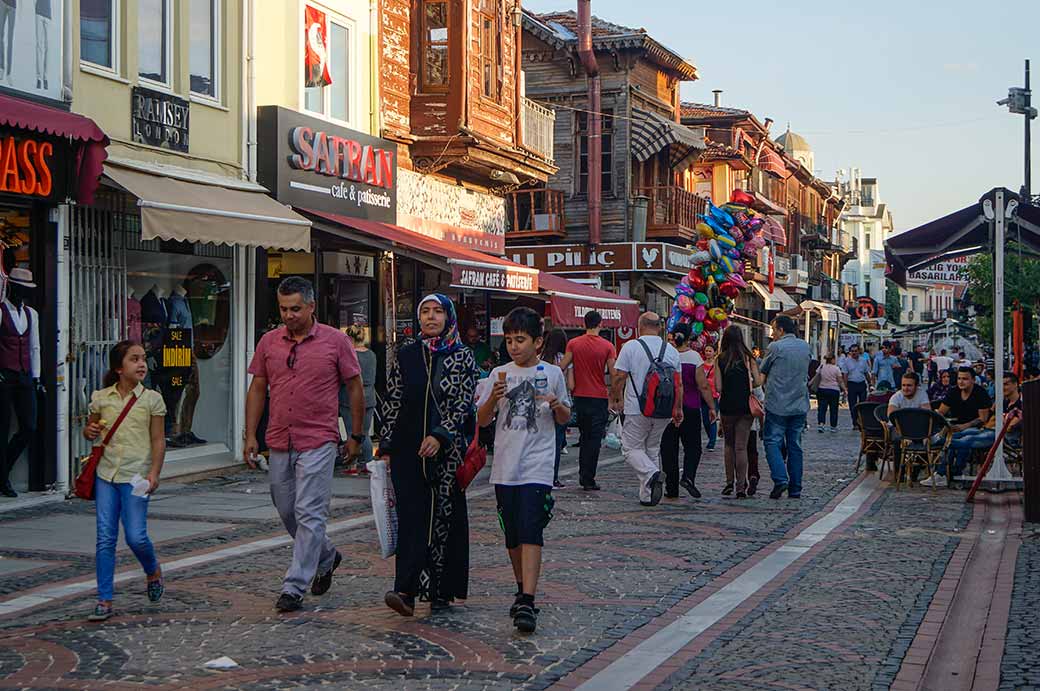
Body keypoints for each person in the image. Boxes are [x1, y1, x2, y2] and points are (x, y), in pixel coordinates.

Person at [244, 277, 365, 613]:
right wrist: (250, 434)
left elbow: (354, 388)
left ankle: (294, 586)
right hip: (280, 438)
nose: (289, 315)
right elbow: (258, 388)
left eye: (295, 309)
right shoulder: (269, 342)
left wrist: (356, 435)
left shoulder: (335, 341)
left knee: (310, 512)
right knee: (286, 510)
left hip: (319, 439)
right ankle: (326, 555)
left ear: (311, 307)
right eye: (283, 309)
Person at [379, 294, 478, 615]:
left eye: (438, 311)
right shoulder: (407, 355)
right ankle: (405, 590)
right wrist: (387, 446)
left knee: (442, 519)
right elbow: (393, 401)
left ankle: (441, 589)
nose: (431, 317)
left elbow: (463, 402)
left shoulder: (462, 357)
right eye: (425, 312)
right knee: (411, 519)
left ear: (448, 317)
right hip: (408, 451)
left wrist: (440, 435)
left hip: (445, 454)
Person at [478, 307, 570, 634]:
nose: (514, 347)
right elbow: (482, 420)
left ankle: (528, 599)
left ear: (538, 341)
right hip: (505, 466)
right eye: (510, 340)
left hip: (538, 465)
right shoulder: (498, 374)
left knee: (532, 529)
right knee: (512, 534)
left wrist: (557, 404)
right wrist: (492, 399)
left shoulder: (553, 374)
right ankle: (520, 587)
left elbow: (563, 418)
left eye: (521, 340)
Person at [82, 341, 167, 622]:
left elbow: (158, 440)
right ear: (119, 368)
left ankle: (152, 570)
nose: (142, 364)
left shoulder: (152, 399)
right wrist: (89, 430)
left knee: (135, 536)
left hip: (136, 477)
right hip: (106, 475)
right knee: (105, 537)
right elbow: (90, 431)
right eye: (134, 359)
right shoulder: (102, 398)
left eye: (143, 358)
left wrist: (154, 473)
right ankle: (104, 599)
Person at [610, 312, 682, 507]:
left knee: (630, 449)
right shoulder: (672, 350)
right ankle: (648, 495)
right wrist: (678, 408)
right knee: (651, 449)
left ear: (639, 325)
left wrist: (615, 397)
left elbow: (619, 376)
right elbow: (678, 384)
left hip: (636, 407)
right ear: (659, 327)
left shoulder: (631, 347)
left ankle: (652, 474)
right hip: (664, 409)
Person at [559, 311, 616, 491]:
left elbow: (562, 365)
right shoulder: (608, 346)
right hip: (599, 396)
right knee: (594, 439)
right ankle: (588, 477)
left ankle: (583, 475)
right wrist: (616, 396)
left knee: (584, 437)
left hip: (580, 397)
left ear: (584, 324)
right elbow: (613, 373)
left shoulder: (573, 344)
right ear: (600, 323)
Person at [660, 323, 715, 499]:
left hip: (668, 408)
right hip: (691, 406)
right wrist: (712, 407)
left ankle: (671, 487)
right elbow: (703, 385)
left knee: (669, 449)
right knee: (693, 447)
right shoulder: (694, 357)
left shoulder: (666, 355)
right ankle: (688, 476)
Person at [760, 315, 811, 499]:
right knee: (795, 446)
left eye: (774, 330)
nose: (772, 334)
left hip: (777, 404)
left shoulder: (776, 347)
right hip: (799, 404)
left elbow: (763, 371)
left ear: (781, 330)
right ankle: (796, 487)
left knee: (772, 441)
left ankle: (781, 479)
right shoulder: (805, 346)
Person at [939, 373, 1023, 483]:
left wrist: (999, 420)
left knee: (968, 439)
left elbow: (1009, 427)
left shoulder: (1021, 403)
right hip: (991, 430)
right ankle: (945, 473)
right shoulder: (1002, 402)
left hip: (1006, 438)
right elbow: (989, 420)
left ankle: (939, 442)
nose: (1002, 387)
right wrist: (999, 419)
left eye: (1006, 384)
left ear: (1016, 385)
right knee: (964, 433)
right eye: (1000, 384)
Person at [921, 367, 993, 487]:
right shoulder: (953, 392)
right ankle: (946, 473)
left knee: (961, 437)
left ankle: (949, 472)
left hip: (977, 428)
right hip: (956, 426)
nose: (961, 382)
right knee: (953, 436)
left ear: (973, 380)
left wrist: (964, 426)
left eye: (965, 379)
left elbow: (983, 418)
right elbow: (941, 412)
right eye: (959, 378)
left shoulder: (980, 392)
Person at [717, 325, 760, 498]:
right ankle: (741, 487)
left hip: (727, 406)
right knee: (741, 447)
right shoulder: (749, 359)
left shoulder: (720, 359)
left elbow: (718, 387)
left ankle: (729, 482)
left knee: (729, 445)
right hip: (745, 406)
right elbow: (757, 381)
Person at [340, 325, 377, 476]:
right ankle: (368, 463)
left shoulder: (349, 355)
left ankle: (352, 465)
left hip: (349, 397)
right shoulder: (372, 355)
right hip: (369, 396)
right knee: (365, 433)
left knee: (351, 431)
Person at [541, 327, 572, 488]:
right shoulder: (564, 359)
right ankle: (553, 477)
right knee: (558, 441)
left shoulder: (540, 358)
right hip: (560, 402)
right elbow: (571, 384)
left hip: (543, 403)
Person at [841, 344, 871, 428]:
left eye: (855, 351)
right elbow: (845, 375)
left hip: (861, 383)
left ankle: (862, 421)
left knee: (863, 404)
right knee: (852, 404)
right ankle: (855, 422)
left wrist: (870, 384)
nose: (854, 353)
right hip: (852, 384)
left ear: (859, 351)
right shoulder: (846, 361)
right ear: (850, 352)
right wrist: (845, 387)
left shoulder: (863, 360)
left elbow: (866, 373)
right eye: (852, 351)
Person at [815, 354, 845, 433]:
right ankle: (833, 426)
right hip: (834, 390)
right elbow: (840, 380)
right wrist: (845, 389)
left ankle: (821, 424)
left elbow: (817, 376)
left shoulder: (821, 367)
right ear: (833, 359)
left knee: (822, 408)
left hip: (822, 389)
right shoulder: (836, 368)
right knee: (834, 409)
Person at [700, 344, 720, 451]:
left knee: (712, 418)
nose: (707, 352)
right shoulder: (701, 365)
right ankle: (711, 438)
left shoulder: (717, 365)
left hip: (714, 395)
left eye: (710, 351)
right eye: (706, 350)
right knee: (705, 420)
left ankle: (712, 443)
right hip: (703, 395)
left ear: (714, 352)